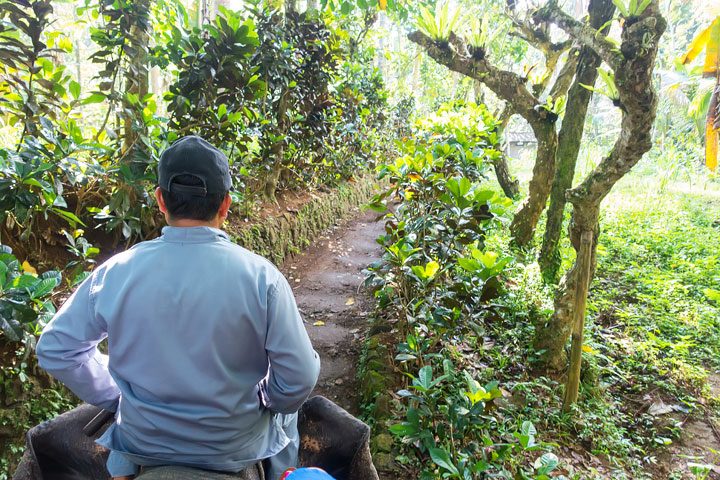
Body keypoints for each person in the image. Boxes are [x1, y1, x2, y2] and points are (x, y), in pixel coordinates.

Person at [36, 135, 321, 480]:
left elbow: (56, 350)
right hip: (234, 448)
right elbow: (299, 377)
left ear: (160, 200)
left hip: (144, 443)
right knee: (286, 411)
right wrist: (270, 399)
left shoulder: (115, 273)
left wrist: (117, 397)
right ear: (225, 205)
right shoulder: (263, 278)